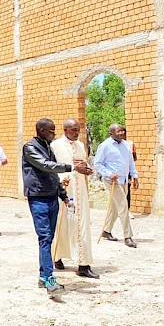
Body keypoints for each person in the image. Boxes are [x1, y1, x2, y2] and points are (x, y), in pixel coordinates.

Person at [23, 119, 91, 297]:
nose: (54, 134)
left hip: (52, 197)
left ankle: (43, 276)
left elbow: (53, 175)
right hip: (38, 198)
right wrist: (72, 167)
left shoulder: (48, 147)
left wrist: (64, 196)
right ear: (42, 131)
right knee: (45, 237)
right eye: (52, 131)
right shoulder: (30, 148)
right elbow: (46, 166)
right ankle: (49, 279)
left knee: (48, 238)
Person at [52, 119, 99, 279]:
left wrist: (86, 169)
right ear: (65, 129)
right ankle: (57, 256)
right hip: (64, 190)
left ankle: (84, 264)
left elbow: (83, 163)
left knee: (82, 223)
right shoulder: (55, 146)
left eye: (78, 130)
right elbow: (51, 166)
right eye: (73, 130)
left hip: (81, 191)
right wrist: (63, 178)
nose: (77, 133)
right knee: (62, 222)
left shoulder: (80, 145)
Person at [94, 123, 139, 248]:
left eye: (122, 131)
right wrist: (108, 173)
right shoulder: (105, 146)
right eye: (118, 131)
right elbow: (97, 164)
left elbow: (130, 162)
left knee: (116, 206)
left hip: (124, 180)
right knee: (123, 206)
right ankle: (128, 236)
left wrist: (134, 176)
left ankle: (106, 231)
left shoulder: (126, 145)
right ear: (111, 133)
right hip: (112, 181)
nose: (121, 133)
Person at [120, 126, 137, 217]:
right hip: (117, 173)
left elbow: (133, 159)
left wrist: (133, 175)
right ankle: (119, 211)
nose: (121, 135)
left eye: (123, 133)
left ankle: (127, 210)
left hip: (127, 172)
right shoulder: (110, 145)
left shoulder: (129, 144)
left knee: (127, 191)